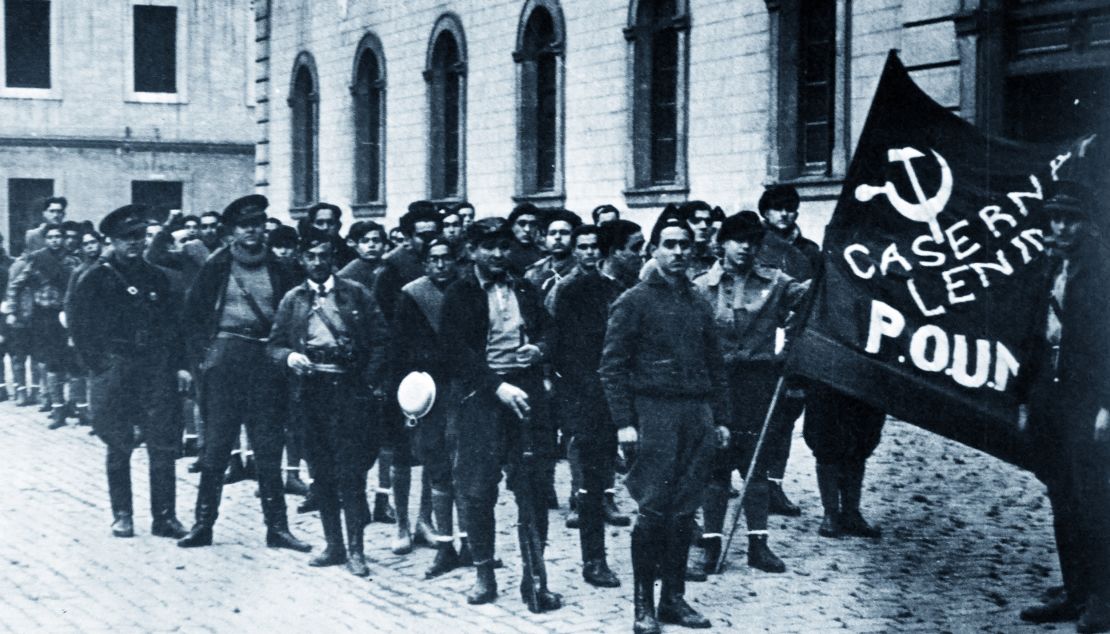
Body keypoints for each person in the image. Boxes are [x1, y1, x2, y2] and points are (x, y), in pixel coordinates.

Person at [600, 211, 731, 632]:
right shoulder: (634, 300)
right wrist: (624, 422)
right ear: (654, 249)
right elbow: (612, 367)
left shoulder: (698, 301)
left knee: (684, 512)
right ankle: (644, 605)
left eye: (685, 245)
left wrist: (721, 418)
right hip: (654, 413)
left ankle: (673, 598)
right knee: (654, 511)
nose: (678, 252)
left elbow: (716, 364)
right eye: (669, 244)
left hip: (697, 415)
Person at [175, 195, 310, 554]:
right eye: (245, 225)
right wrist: (202, 361)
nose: (253, 231)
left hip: (266, 361)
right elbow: (192, 318)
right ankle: (202, 525)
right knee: (217, 447)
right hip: (226, 362)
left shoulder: (280, 267)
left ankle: (278, 528)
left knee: (268, 446)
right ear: (231, 231)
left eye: (258, 224)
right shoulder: (217, 266)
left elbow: (295, 311)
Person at [439, 218, 562, 611]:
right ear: (472, 250)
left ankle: (534, 578)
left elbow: (550, 330)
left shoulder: (525, 287)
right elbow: (455, 352)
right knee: (478, 489)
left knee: (533, 487)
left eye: (503, 247)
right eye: (488, 247)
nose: (497, 255)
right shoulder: (459, 293)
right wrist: (496, 385)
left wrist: (538, 349)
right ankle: (483, 573)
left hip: (525, 397)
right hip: (481, 399)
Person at [687, 211, 810, 578]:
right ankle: (710, 544)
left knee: (755, 465)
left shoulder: (776, 282)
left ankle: (759, 544)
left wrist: (790, 345)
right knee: (715, 468)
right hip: (716, 385)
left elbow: (810, 303)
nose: (745, 247)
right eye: (738, 239)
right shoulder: (700, 286)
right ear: (722, 243)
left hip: (758, 383)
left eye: (753, 241)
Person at [267, 228, 390, 577]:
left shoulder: (356, 294)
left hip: (349, 390)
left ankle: (356, 550)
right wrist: (289, 357)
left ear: (332, 259)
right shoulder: (293, 299)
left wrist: (367, 380)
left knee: (350, 472)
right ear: (302, 260)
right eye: (311, 257)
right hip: (310, 393)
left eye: (324, 256)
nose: (318, 263)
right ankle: (333, 545)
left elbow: (381, 340)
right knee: (320, 472)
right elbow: (273, 344)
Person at [1019, 182, 1110, 633]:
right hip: (1049, 398)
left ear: (1088, 225)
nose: (1060, 227)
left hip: (1089, 402)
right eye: (1054, 218)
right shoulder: (1049, 266)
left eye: (1070, 219)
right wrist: (1023, 397)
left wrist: (1106, 407)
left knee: (1094, 498)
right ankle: (1075, 590)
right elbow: (1031, 336)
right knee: (1062, 497)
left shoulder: (1104, 273)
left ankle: (1102, 597)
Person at [67, 204, 187, 539]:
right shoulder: (95, 277)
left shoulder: (155, 276)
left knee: (162, 442)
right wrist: (100, 367)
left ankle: (165, 516)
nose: (134, 243)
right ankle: (122, 514)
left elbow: (171, 326)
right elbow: (80, 329)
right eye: (126, 238)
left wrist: (175, 365)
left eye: (139, 236)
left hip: (154, 368)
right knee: (119, 442)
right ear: (113, 240)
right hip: (116, 367)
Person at [551, 224, 626, 589]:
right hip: (583, 396)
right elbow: (557, 347)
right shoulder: (565, 291)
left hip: (615, 393)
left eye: (595, 247)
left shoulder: (614, 290)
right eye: (582, 247)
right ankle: (593, 560)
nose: (589, 253)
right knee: (591, 483)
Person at [393, 236, 466, 578]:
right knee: (436, 461)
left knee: (466, 464)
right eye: (433, 259)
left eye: (446, 258)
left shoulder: (467, 290)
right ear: (425, 264)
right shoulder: (412, 295)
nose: (440, 265)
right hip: (431, 390)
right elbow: (403, 346)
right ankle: (442, 541)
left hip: (464, 387)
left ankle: (469, 542)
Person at [373, 203, 441, 535]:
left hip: (437, 374)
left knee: (433, 451)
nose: (428, 241)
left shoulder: (446, 271)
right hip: (401, 372)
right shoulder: (390, 272)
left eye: (433, 234)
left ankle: (425, 520)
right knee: (401, 449)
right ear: (408, 237)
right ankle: (401, 523)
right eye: (421, 235)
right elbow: (380, 327)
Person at [756, 184, 823, 516]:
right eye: (778, 207)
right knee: (756, 417)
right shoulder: (755, 248)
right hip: (759, 342)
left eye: (791, 207)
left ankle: (774, 484)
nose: (785, 213)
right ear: (765, 212)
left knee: (785, 417)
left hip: (796, 345)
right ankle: (752, 479)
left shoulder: (809, 253)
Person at [7, 223, 80, 427]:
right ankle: (56, 407)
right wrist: (12, 310)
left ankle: (75, 404)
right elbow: (16, 284)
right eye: (51, 237)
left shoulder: (72, 259)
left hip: (69, 315)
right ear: (46, 239)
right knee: (52, 361)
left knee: (74, 362)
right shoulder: (37, 259)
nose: (55, 240)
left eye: (59, 236)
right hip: (46, 317)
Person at [524, 209, 581, 296]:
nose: (557, 237)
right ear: (545, 238)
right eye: (552, 233)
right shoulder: (534, 273)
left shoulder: (582, 268)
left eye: (564, 233)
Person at [306, 202, 356, 268]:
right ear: (311, 225)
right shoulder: (305, 250)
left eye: (330, 223)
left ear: (339, 225)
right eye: (320, 223)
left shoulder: (350, 251)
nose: (325, 227)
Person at [505, 203, 545, 275]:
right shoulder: (503, 255)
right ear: (511, 226)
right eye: (522, 224)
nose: (527, 229)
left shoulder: (543, 256)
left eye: (533, 224)